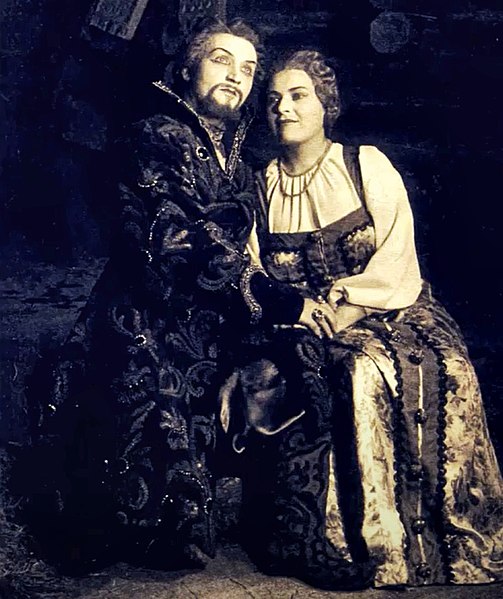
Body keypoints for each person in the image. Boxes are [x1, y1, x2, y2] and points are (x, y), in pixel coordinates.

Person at [20, 18, 307, 573]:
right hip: (147, 315)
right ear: (189, 67)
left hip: (215, 318)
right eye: (221, 60)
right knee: (143, 453)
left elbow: (245, 243)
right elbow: (176, 238)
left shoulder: (239, 159)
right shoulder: (155, 135)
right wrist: (274, 297)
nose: (236, 76)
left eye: (248, 69)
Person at [220, 49, 503, 589]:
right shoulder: (258, 188)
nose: (284, 109)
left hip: (391, 304)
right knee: (358, 372)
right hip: (306, 325)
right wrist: (300, 317)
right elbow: (254, 273)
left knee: (445, 365)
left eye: (298, 96)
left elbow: (397, 257)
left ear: (325, 104)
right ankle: (367, 544)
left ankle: (442, 542)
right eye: (274, 100)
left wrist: (351, 307)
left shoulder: (364, 164)